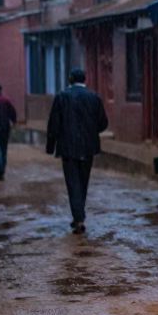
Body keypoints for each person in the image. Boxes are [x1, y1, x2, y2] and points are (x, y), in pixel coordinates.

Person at [46, 68, 109, 233]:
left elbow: (53, 124)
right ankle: (79, 215)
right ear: (85, 80)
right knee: (83, 181)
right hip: (88, 146)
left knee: (73, 182)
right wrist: (91, 131)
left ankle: (79, 217)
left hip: (68, 146)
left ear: (70, 80)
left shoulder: (61, 97)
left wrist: (50, 146)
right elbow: (103, 123)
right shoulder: (95, 98)